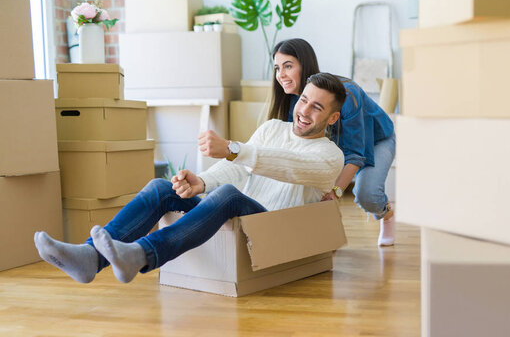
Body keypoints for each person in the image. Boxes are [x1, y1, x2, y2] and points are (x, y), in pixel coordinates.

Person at [34, 73, 346, 284]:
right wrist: (202, 181)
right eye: (304, 100)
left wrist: (233, 148)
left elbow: (289, 166)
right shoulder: (272, 129)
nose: (304, 110)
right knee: (162, 188)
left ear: (332, 118)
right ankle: (90, 257)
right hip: (241, 219)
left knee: (230, 196)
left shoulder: (331, 156)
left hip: (273, 228)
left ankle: (143, 254)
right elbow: (241, 169)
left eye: (317, 107)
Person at [268, 38, 396, 246]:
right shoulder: (293, 100)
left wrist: (335, 192)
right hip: (337, 146)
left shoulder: (345, 95)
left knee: (367, 195)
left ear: (305, 64)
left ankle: (387, 215)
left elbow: (355, 152)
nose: (280, 75)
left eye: (288, 66)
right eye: (277, 68)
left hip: (377, 139)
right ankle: (326, 235)